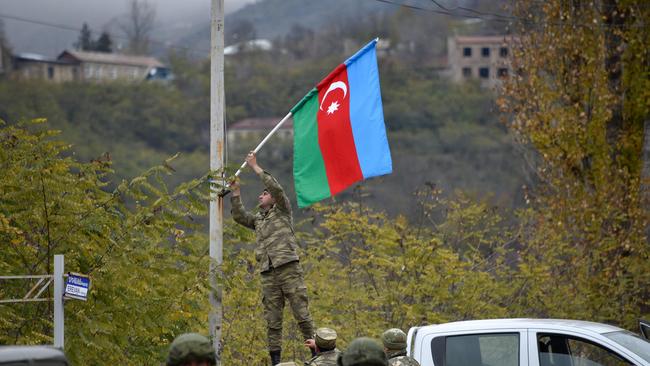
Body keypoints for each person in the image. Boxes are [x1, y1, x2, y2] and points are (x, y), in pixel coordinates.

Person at [230, 151, 315, 365]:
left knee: (301, 313)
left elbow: (277, 189)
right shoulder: (259, 219)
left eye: (264, 193)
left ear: (273, 199)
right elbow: (240, 216)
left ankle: (318, 354)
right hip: (268, 272)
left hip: (287, 267)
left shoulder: (283, 210)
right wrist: (236, 193)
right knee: (273, 320)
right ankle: (276, 360)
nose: (261, 196)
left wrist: (255, 167)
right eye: (261, 194)